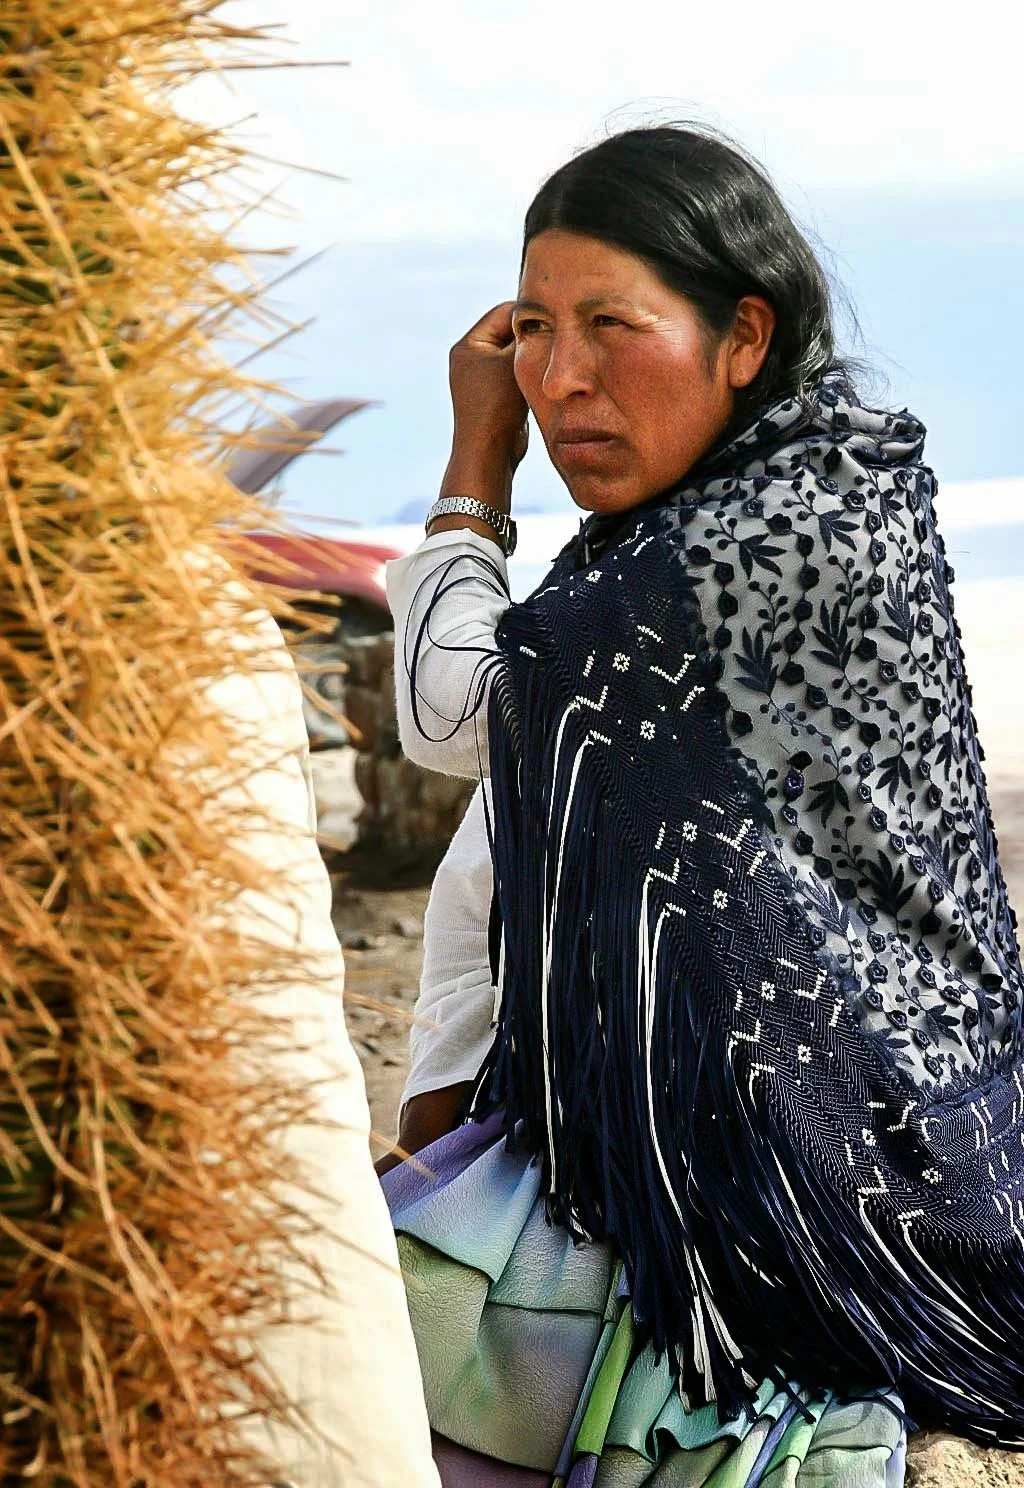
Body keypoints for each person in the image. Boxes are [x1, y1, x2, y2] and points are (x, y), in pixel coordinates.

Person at [379, 125, 1024, 1486]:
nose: (559, 381)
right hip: (624, 1169)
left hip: (769, 1202)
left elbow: (450, 713)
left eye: (614, 325)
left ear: (744, 336)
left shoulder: (760, 549)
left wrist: (472, 467)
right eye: (534, 333)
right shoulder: (693, 535)